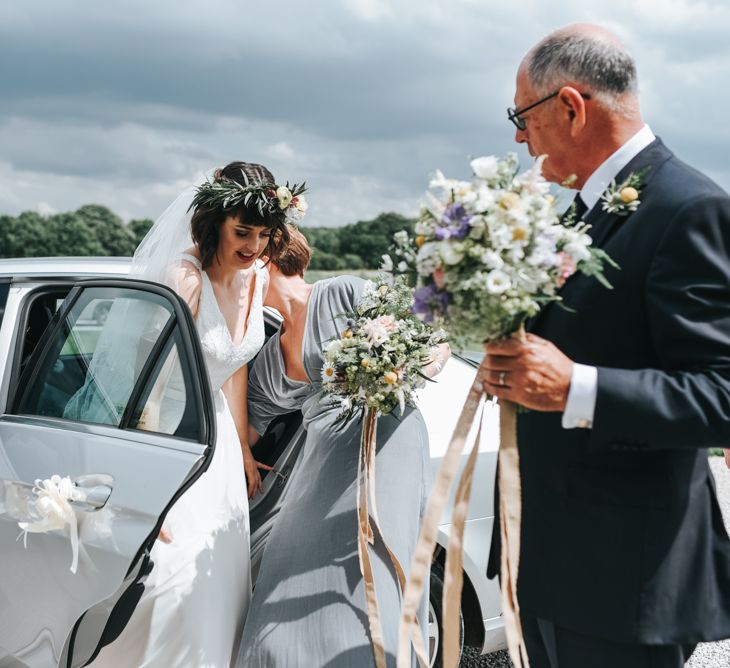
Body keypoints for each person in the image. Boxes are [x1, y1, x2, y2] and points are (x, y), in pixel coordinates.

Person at [480, 25, 730, 668]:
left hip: (624, 572)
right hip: (550, 551)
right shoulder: (576, 216)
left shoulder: (689, 207)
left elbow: (722, 392)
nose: (517, 136)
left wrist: (575, 386)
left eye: (522, 115)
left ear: (570, 106)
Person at [90, 161, 294, 667]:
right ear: (213, 222)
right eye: (242, 231)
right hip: (171, 439)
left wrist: (244, 447)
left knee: (219, 573)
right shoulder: (185, 278)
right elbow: (149, 387)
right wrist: (149, 482)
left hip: (219, 442)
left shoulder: (256, 276)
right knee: (170, 574)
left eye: (264, 234)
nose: (253, 246)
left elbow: (234, 365)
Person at [235, 227, 449, 667]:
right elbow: (246, 427)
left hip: (386, 443)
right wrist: (236, 456)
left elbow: (436, 344)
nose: (235, 277)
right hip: (323, 463)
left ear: (267, 260)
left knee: (371, 565)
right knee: (286, 563)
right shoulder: (268, 353)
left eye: (243, 263)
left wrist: (400, 367)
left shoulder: (342, 293)